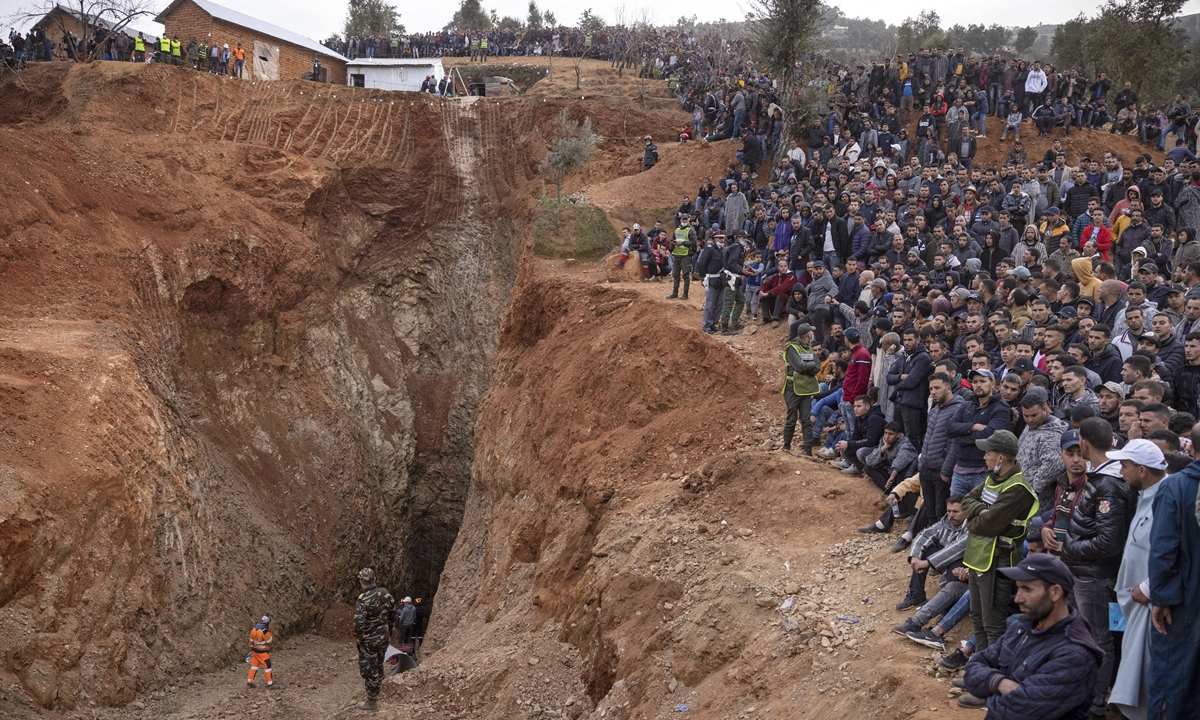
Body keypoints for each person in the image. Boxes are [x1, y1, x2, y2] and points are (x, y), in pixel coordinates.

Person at [961, 553, 1103, 717]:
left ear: (1055, 592)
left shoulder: (1075, 654)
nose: (1018, 599)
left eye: (1027, 589)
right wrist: (1000, 683)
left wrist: (989, 693)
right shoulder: (1023, 625)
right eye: (1018, 588)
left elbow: (1014, 712)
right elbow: (975, 664)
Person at [962, 430, 1039, 651]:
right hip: (979, 557)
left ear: (1001, 458)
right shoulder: (992, 478)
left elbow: (989, 524)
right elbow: (967, 499)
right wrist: (981, 512)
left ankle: (992, 674)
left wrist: (972, 521)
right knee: (977, 617)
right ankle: (979, 668)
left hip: (998, 562)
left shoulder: (1017, 488)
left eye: (988, 453)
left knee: (993, 623)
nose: (984, 457)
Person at [1109, 439, 1168, 720]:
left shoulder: (1168, 498)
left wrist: (1149, 587)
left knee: (1148, 675)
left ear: (1142, 470)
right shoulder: (1144, 494)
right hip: (1132, 603)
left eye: (1125, 465)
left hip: (1152, 604)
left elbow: (1178, 550)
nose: (1121, 470)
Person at [1147, 426, 1200, 720]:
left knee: (1173, 674)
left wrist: (1162, 596)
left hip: (1184, 598)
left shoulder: (1175, 487)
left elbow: (1164, 547)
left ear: (1190, 449)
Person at [892, 495, 969, 621]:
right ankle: (916, 595)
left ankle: (949, 608)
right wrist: (915, 557)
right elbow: (924, 535)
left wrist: (927, 563)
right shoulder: (945, 522)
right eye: (949, 511)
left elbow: (956, 549)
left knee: (957, 562)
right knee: (925, 549)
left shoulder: (971, 526)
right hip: (943, 561)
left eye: (955, 511)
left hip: (964, 568)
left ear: (966, 511)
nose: (951, 515)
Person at [354, 567, 396, 713]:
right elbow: (393, 614)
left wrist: (359, 637)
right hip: (383, 637)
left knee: (369, 669)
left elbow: (358, 622)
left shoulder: (363, 599)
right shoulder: (386, 593)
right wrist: (388, 629)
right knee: (379, 663)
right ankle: (379, 690)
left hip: (370, 640)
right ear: (374, 579)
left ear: (361, 582)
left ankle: (371, 702)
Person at [780, 324, 820, 456]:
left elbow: (816, 366)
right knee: (792, 417)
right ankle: (786, 447)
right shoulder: (792, 348)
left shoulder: (809, 347)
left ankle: (808, 450)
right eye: (811, 332)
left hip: (806, 388)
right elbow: (799, 366)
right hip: (793, 388)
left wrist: (808, 365)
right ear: (808, 334)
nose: (812, 334)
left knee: (806, 419)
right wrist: (810, 365)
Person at [247, 615, 274, 688]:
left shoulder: (254, 629)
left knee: (254, 667)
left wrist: (251, 650)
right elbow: (269, 641)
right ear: (267, 623)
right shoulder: (264, 631)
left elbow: (251, 641)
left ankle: (249, 682)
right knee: (267, 667)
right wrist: (270, 634)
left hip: (255, 652)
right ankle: (270, 683)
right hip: (263, 653)